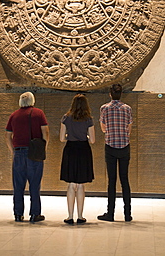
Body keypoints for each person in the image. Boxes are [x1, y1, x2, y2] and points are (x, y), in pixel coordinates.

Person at [5, 92, 49, 223]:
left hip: (18, 153)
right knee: (35, 185)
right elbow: (45, 132)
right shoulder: (38, 113)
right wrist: (43, 149)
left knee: (18, 186)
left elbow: (7, 136)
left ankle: (18, 214)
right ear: (32, 100)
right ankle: (35, 214)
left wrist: (13, 150)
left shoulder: (14, 115)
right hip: (34, 153)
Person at [97, 84, 133, 222]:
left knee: (112, 181)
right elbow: (129, 129)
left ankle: (110, 213)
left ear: (110, 94)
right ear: (121, 94)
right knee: (125, 179)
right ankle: (127, 214)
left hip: (110, 146)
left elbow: (103, 129)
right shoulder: (127, 109)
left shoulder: (104, 108)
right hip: (124, 146)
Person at [60, 94, 95, 225]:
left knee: (71, 184)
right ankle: (80, 216)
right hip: (84, 150)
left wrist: (70, 135)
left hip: (70, 150)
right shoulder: (88, 119)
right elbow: (92, 140)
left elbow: (61, 138)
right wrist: (83, 135)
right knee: (81, 185)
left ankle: (69, 216)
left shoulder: (66, 118)